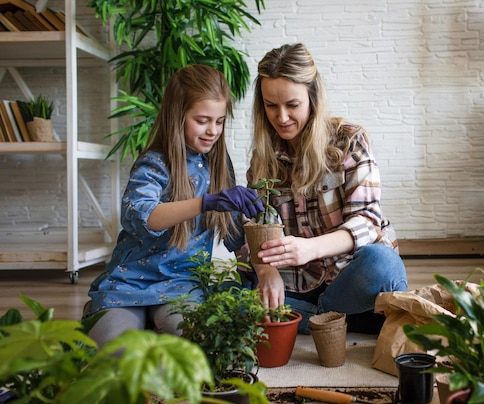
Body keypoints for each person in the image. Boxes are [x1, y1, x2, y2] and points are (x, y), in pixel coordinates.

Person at [84, 64, 264, 347]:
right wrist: (205, 203)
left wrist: (253, 259)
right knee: (115, 353)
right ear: (177, 115)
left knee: (192, 349)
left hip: (182, 285)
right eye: (202, 120)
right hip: (130, 283)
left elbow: (232, 235)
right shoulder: (155, 163)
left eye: (219, 121)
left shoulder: (218, 165)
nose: (213, 131)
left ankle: (153, 326)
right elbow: (138, 214)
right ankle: (119, 318)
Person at [246, 43, 407, 334]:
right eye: (271, 105)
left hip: (349, 278)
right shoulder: (263, 161)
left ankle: (307, 320)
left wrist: (309, 249)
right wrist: (266, 270)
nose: (281, 117)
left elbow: (368, 221)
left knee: (383, 263)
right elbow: (256, 228)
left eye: (292, 105)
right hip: (297, 285)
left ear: (313, 98)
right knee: (234, 290)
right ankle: (340, 320)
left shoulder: (349, 140)